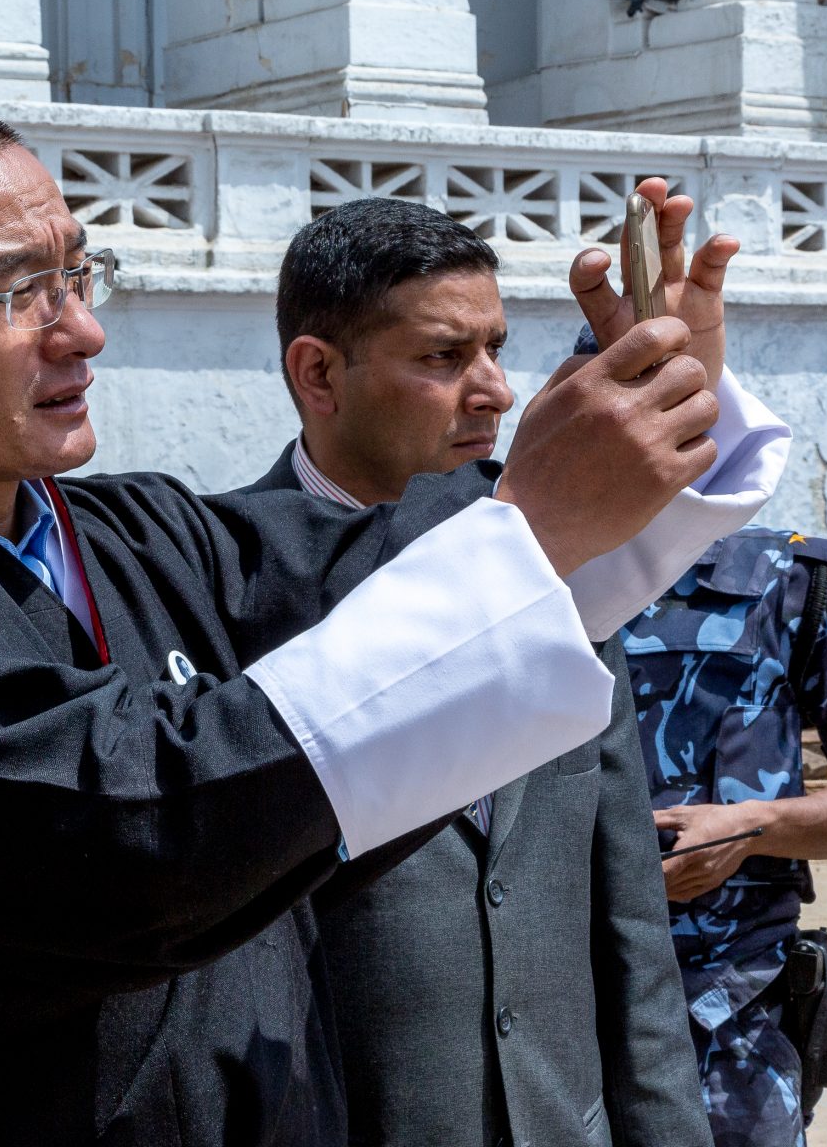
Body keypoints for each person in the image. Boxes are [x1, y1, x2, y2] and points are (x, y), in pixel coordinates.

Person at [0, 89, 791, 1145]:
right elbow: (144, 817)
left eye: (79, 275)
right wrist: (539, 520)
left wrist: (639, 428)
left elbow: (399, 571)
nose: (81, 333)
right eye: (18, 293)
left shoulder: (142, 533)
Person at [267, 196, 712, 1146]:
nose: (495, 392)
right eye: (443, 357)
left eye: (496, 350)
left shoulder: (553, 569)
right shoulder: (222, 588)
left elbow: (628, 920)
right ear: (319, 374)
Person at [621, 526, 827, 1146]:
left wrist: (752, 828)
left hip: (731, 1015)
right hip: (546, 1009)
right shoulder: (522, 570)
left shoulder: (791, 576)